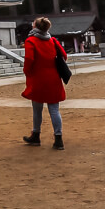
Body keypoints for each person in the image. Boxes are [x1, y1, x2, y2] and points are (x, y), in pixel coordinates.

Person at [21, 16, 67, 149]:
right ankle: (58, 139)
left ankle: (36, 135)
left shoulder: (31, 41)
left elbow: (29, 59)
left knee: (37, 110)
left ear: (35, 26)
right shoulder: (52, 40)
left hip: (38, 79)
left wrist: (27, 71)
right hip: (53, 79)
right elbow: (64, 55)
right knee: (54, 110)